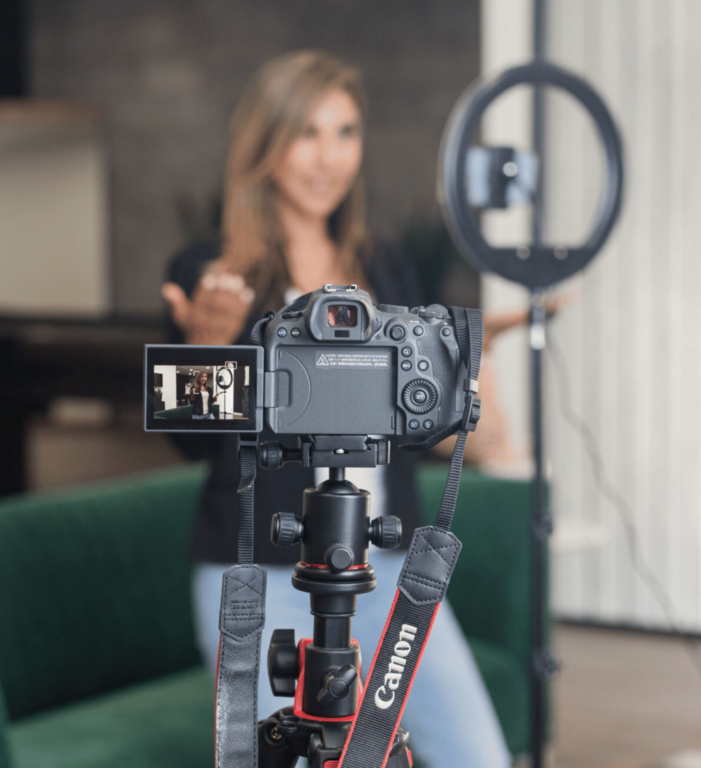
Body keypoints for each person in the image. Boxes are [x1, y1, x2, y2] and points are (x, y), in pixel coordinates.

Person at [162, 50, 512, 768]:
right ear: (266, 146)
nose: (329, 158)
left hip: (388, 570)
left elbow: (414, 435)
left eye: (345, 132)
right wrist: (207, 348)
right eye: (307, 133)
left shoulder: (384, 268)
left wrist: (464, 389)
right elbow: (191, 447)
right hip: (261, 573)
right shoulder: (213, 273)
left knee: (478, 756)